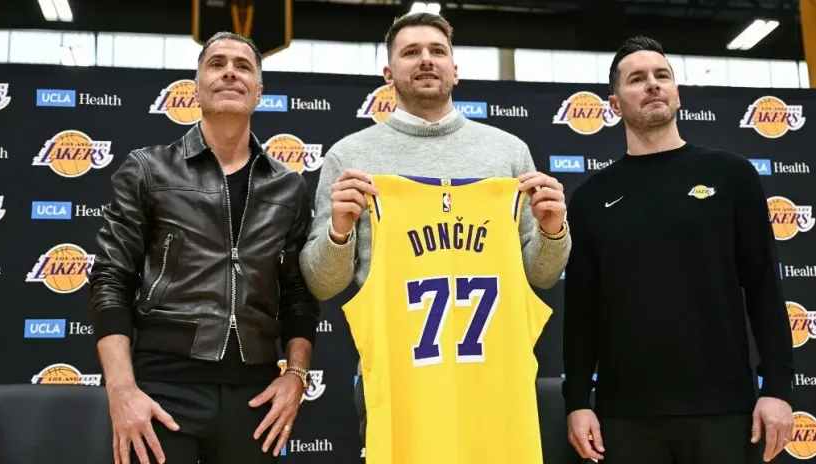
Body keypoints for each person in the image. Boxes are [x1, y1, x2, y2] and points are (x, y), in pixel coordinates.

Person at [299, 11, 571, 450]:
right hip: (401, 386)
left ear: (455, 69)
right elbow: (323, 284)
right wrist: (339, 230)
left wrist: (554, 231)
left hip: (494, 387)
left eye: (437, 51)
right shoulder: (350, 157)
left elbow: (540, 276)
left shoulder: (507, 153)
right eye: (411, 53)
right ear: (389, 73)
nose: (425, 60)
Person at [89, 32, 319, 464]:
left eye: (243, 66)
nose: (230, 71)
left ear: (259, 91)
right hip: (161, 389)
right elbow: (109, 279)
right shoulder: (148, 169)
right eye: (216, 64)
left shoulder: (288, 187)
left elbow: (299, 294)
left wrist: (296, 376)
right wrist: (120, 391)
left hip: (254, 398)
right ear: (196, 87)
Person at [562, 35, 795, 464]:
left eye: (661, 75)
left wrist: (778, 388)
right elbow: (580, 310)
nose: (652, 84)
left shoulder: (732, 175)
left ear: (677, 93)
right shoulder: (592, 196)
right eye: (636, 79)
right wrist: (577, 400)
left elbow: (764, 288)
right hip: (625, 416)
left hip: (725, 409)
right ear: (614, 104)